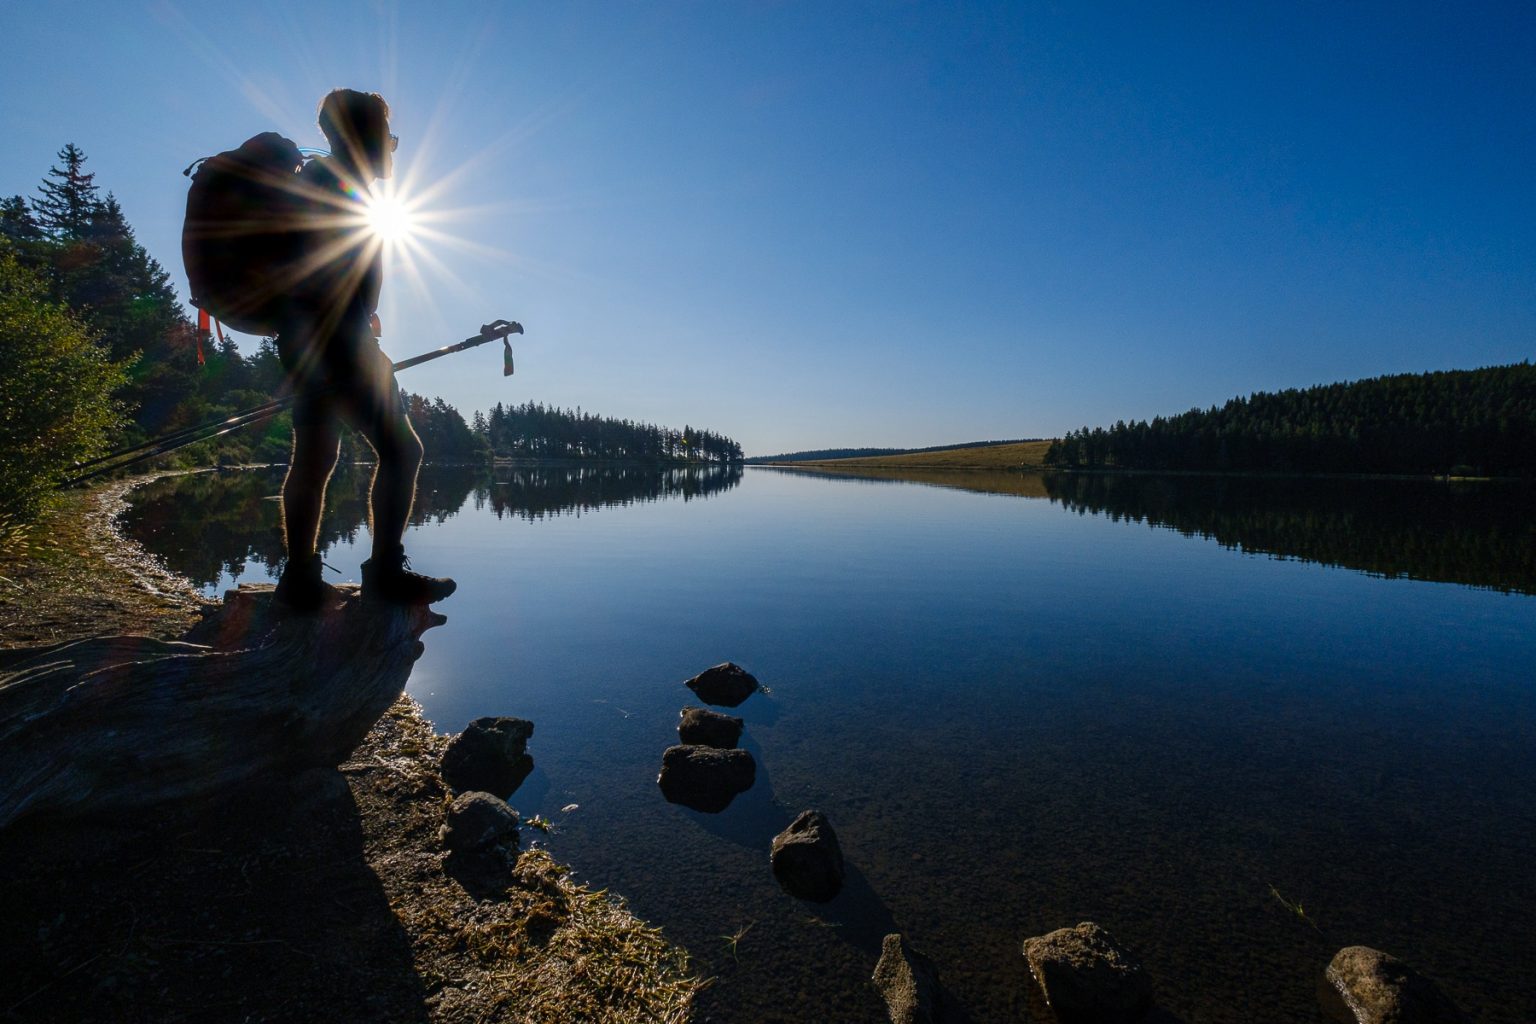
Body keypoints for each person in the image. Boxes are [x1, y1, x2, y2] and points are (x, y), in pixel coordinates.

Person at [272, 88, 455, 611]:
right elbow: (326, 272)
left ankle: (299, 582)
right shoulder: (337, 187)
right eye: (389, 137)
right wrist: (358, 338)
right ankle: (384, 579)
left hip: (304, 343)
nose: (393, 148)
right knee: (403, 451)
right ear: (364, 136)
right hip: (339, 343)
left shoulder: (317, 182)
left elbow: (311, 270)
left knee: (315, 457)